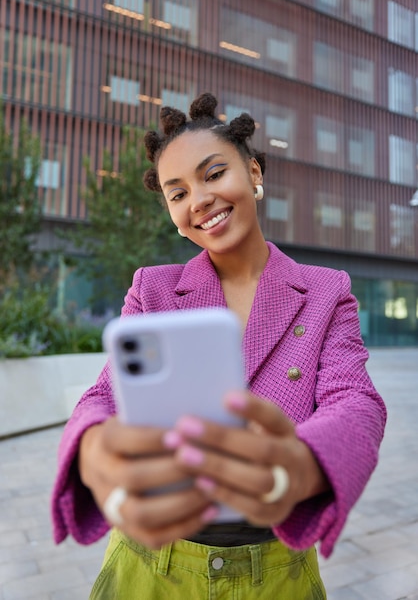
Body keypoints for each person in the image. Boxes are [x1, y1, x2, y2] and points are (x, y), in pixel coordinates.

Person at [51, 93, 387, 599]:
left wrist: (300, 465)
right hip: (150, 566)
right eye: (177, 193)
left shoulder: (325, 290)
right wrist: (94, 449)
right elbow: (105, 394)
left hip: (276, 569)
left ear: (254, 172)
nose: (199, 201)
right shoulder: (153, 289)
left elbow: (355, 400)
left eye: (213, 174)